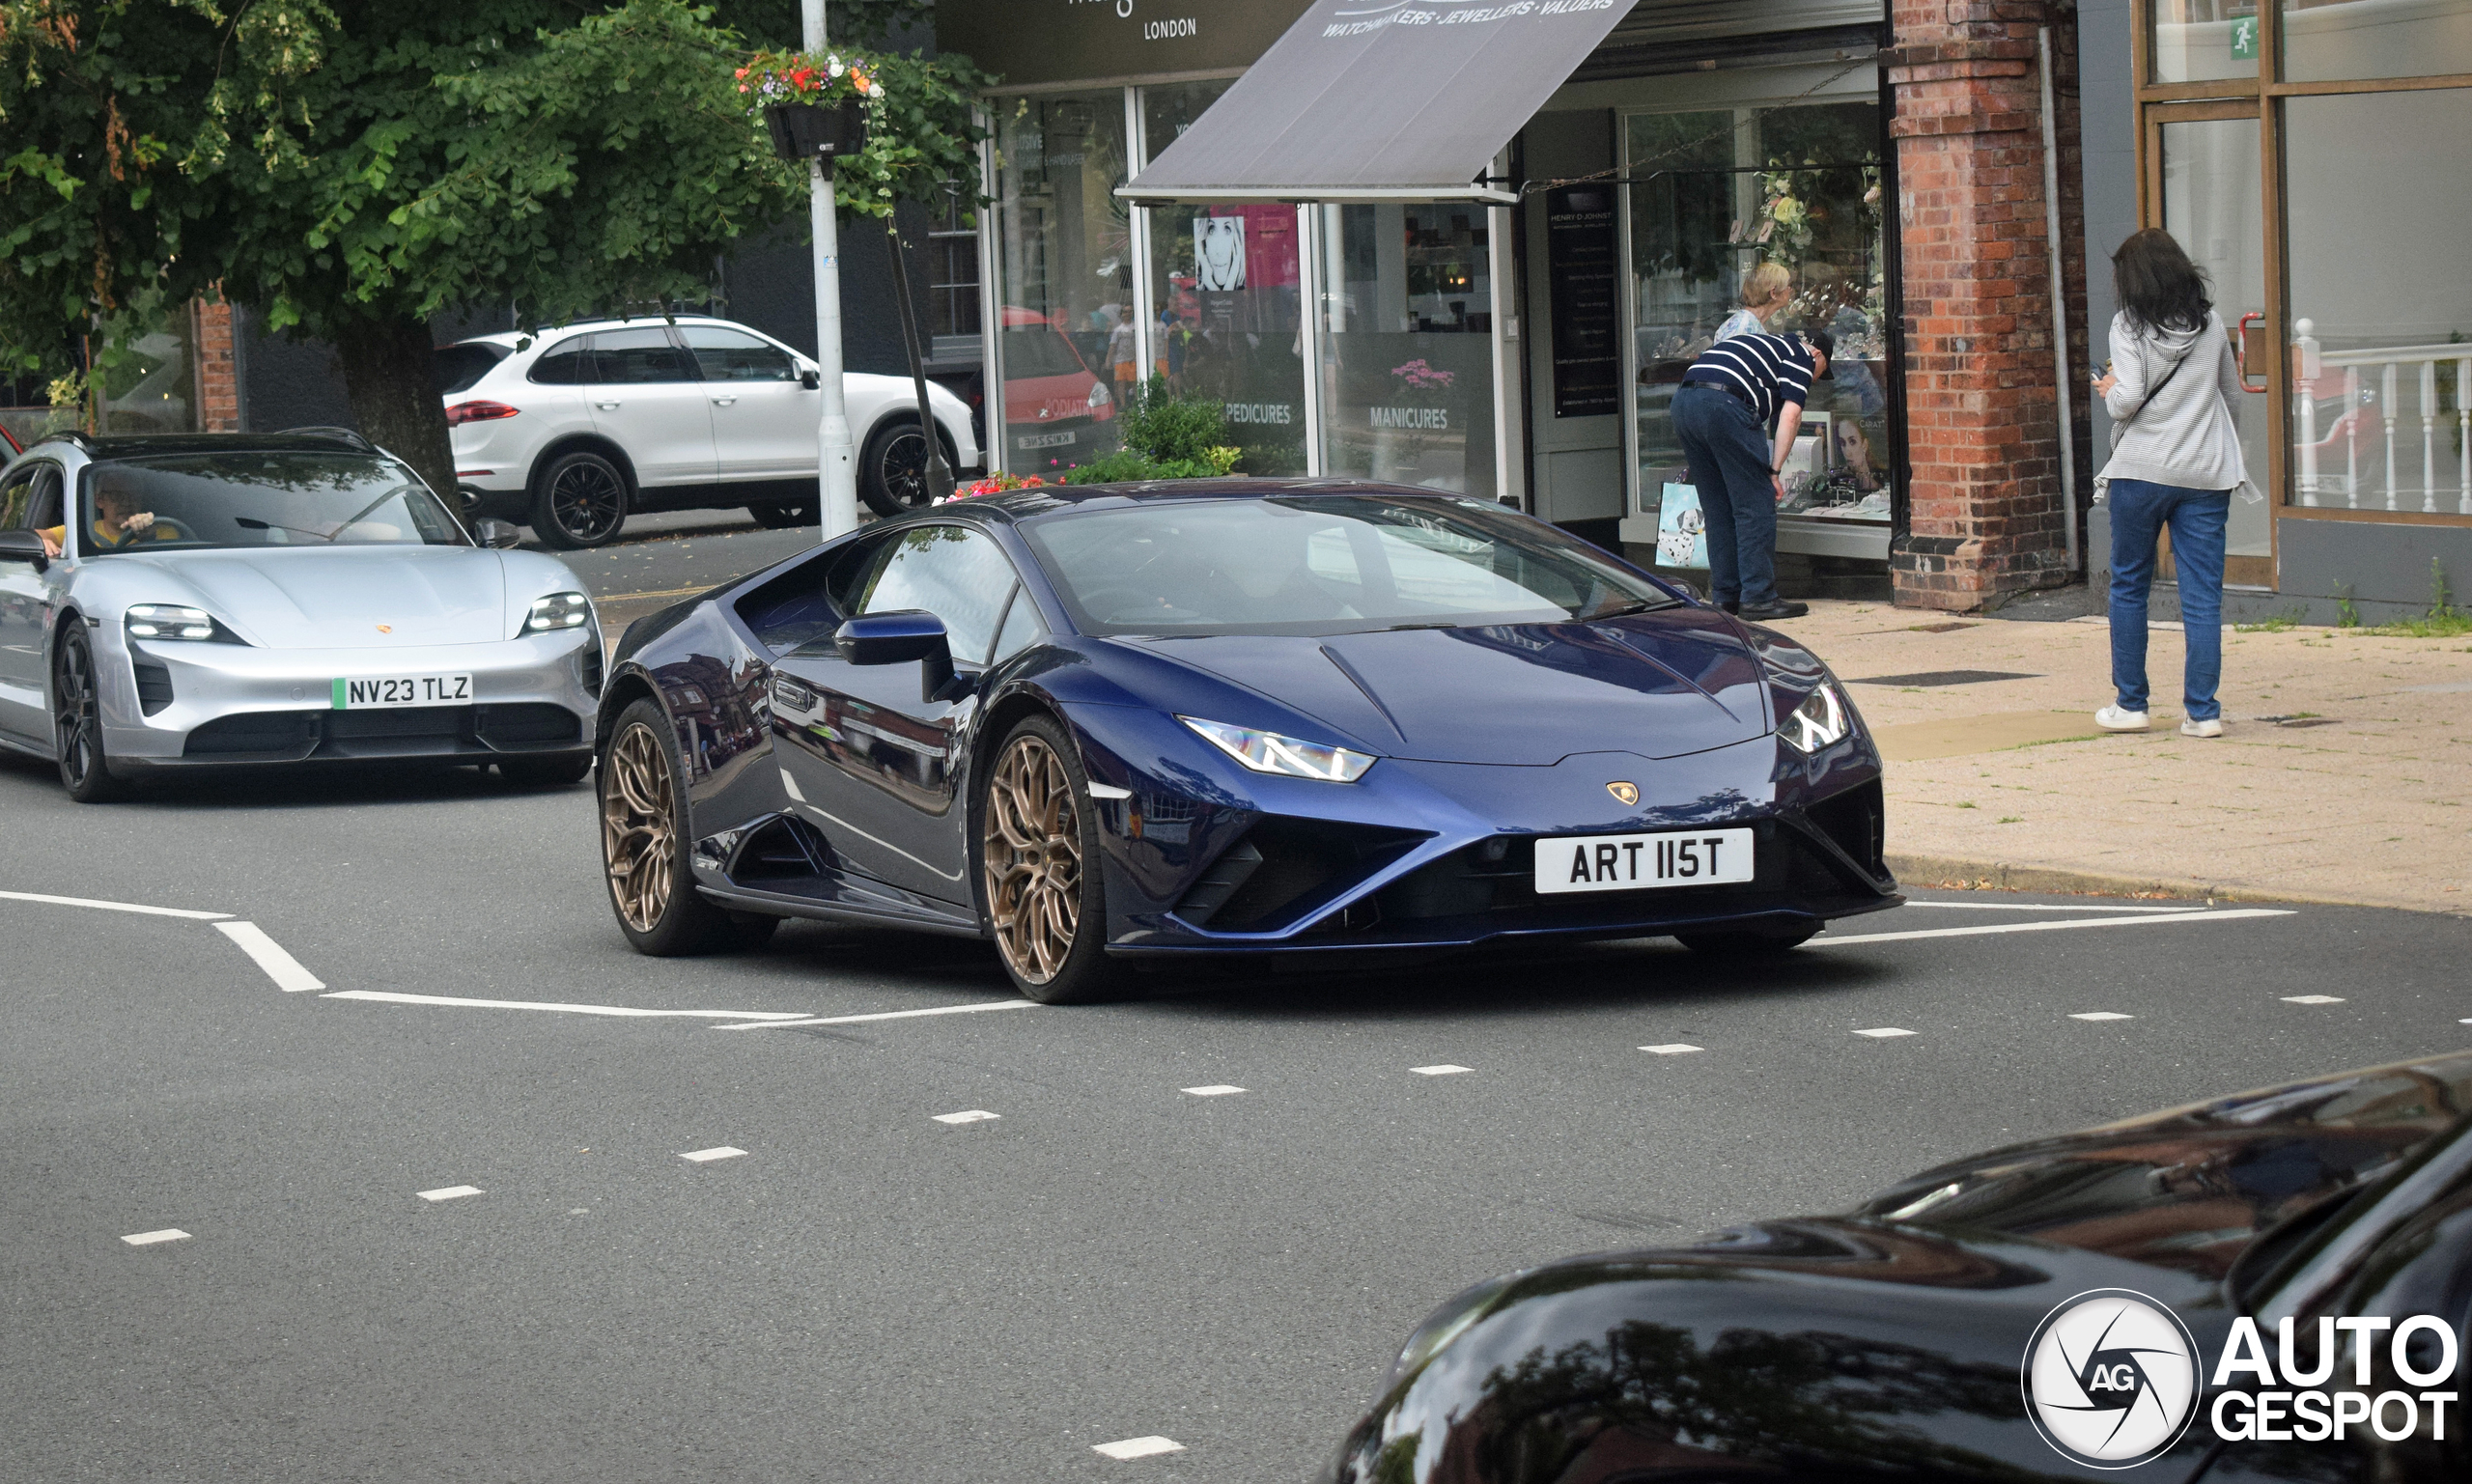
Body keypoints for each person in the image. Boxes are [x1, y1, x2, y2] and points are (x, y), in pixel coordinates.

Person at [2091, 228, 2246, 740]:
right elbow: (2231, 397)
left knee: (2130, 583)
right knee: (2203, 596)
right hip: (2205, 473)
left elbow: (2127, 399)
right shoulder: (2210, 326)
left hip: (2142, 472)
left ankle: (2131, 705)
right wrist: (2217, 447)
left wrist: (2108, 388)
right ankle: (2203, 713)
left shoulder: (2127, 327)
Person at [1670, 326, 1833, 620]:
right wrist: (1773, 471)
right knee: (1755, 505)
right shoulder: (1801, 355)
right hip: (1724, 404)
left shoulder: (1764, 346)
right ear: (1818, 354)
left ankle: (1726, 596)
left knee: (1718, 507)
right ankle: (1759, 597)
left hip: (1684, 402)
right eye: (1823, 371)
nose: (1816, 379)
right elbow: (1792, 416)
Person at [1714, 263, 1791, 343]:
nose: (1790, 290)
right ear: (1773, 293)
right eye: (1788, 286)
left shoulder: (1753, 322)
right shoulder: (1742, 327)